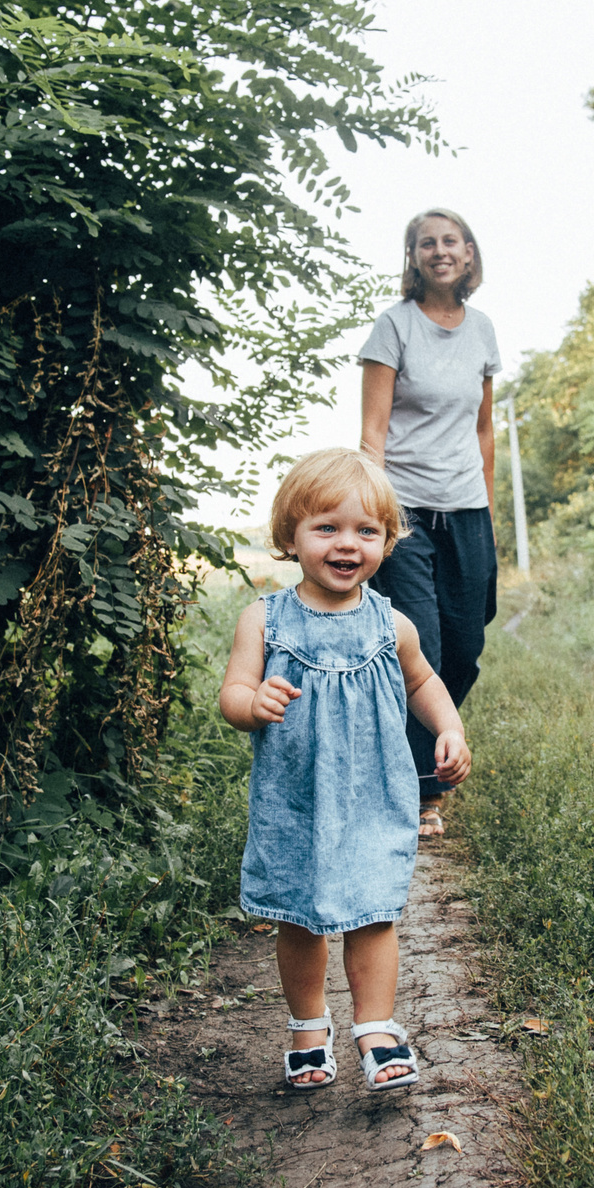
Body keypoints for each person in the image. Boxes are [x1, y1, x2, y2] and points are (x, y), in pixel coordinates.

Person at [219, 449, 471, 1091]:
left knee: (374, 911)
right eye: (326, 528)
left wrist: (449, 727)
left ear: (388, 541)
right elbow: (232, 696)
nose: (346, 544)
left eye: (366, 531)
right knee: (299, 918)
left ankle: (376, 1030)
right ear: (290, 537)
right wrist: (255, 703)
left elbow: (424, 682)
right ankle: (308, 1027)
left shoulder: (392, 623)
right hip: (295, 799)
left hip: (372, 796)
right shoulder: (266, 620)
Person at [359, 207, 501, 839]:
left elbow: (484, 428)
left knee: (467, 646)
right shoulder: (393, 327)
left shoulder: (484, 330)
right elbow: (372, 432)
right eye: (426, 243)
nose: (439, 251)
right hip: (406, 511)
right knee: (424, 648)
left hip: (468, 510)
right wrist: (375, 517)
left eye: (451, 241)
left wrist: (489, 511)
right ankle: (422, 790)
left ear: (468, 254)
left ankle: (422, 751)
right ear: (412, 257)